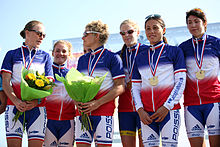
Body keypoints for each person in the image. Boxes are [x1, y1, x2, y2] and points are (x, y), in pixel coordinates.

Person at [131, 14, 187, 147]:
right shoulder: (140, 57)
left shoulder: (175, 51)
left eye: (155, 28)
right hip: (147, 114)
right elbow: (135, 87)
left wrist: (166, 107)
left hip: (169, 111)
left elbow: (180, 82)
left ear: (164, 30)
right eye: (148, 28)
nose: (151, 32)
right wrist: (140, 110)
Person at [1, 20, 54, 147]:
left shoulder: (45, 56)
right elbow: (5, 81)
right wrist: (15, 100)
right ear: (27, 33)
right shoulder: (12, 54)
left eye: (44, 35)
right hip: (14, 106)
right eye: (39, 33)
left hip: (37, 108)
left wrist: (37, 102)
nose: (42, 37)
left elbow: (49, 83)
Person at [75, 20, 125, 147]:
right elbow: (76, 87)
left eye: (86, 34)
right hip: (83, 112)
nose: (83, 37)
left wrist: (97, 103)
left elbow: (120, 86)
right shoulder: (82, 59)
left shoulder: (113, 57)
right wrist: (77, 102)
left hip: (103, 111)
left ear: (97, 36)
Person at [178, 8, 220, 147]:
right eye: (190, 22)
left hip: (214, 102)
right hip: (191, 104)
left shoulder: (216, 43)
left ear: (205, 23)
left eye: (196, 21)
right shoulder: (183, 48)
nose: (193, 25)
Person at [117, 19, 147, 147]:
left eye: (130, 31)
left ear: (138, 32)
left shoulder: (147, 51)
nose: (126, 35)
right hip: (125, 109)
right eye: (123, 33)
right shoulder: (117, 56)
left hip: (145, 107)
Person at [44, 40, 76, 146]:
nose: (60, 54)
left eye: (64, 51)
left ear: (69, 54)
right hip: (48, 121)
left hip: (68, 122)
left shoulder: (72, 75)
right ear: (52, 53)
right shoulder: (45, 73)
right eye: (57, 51)